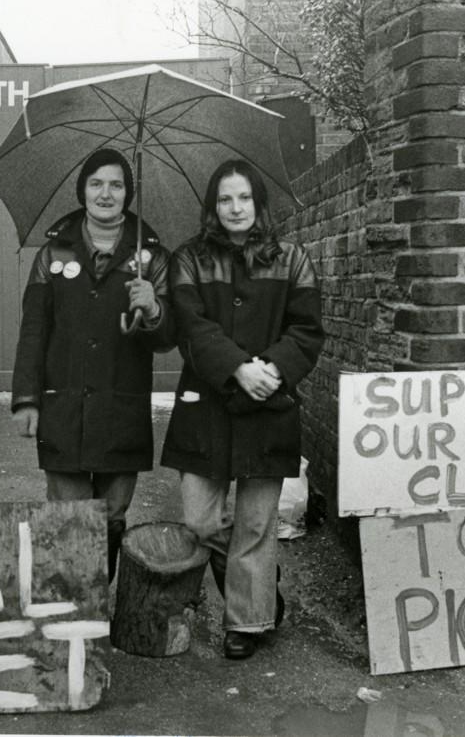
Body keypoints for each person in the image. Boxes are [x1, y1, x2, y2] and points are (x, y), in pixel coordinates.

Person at [161, 159, 324, 659]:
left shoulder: (293, 259)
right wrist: (237, 369)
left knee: (256, 524)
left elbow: (306, 329)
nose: (235, 208)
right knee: (200, 522)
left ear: (258, 204)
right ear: (213, 207)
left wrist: (271, 370)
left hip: (269, 403)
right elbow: (191, 326)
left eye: (244, 199)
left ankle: (247, 621)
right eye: (225, 200)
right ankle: (257, 580)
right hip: (205, 405)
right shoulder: (188, 259)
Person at [11, 148, 176, 581]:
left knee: (110, 516)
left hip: (121, 406)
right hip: (61, 403)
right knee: (68, 514)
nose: (106, 193)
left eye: (117, 184)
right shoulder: (52, 254)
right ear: (82, 190)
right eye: (97, 183)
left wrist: (153, 308)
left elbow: (165, 340)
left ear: (128, 193)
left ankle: (97, 608)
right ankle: (72, 612)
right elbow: (33, 332)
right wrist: (26, 401)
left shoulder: (152, 258)